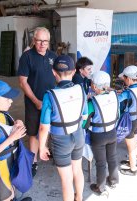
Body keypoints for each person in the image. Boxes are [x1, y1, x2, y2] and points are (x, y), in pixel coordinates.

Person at [39, 55, 88, 201]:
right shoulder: (81, 90)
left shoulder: (50, 96)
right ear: (73, 72)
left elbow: (44, 127)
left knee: (66, 180)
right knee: (77, 170)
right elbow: (84, 117)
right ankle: (79, 198)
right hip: (78, 135)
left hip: (61, 141)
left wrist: (42, 147)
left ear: (53, 72)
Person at [17, 27, 57, 176]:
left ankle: (47, 151)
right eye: (39, 40)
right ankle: (33, 162)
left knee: (50, 128)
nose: (42, 44)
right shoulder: (27, 57)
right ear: (34, 40)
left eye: (45, 41)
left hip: (51, 101)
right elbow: (22, 82)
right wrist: (36, 101)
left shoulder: (53, 56)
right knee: (33, 132)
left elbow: (58, 77)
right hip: (34, 102)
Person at [83, 71, 119, 196]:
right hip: (112, 132)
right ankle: (113, 181)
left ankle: (100, 187)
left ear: (94, 86)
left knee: (101, 162)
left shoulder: (92, 102)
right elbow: (118, 114)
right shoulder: (114, 96)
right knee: (112, 157)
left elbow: (84, 124)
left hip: (98, 136)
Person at [118, 66, 137, 176]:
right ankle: (132, 161)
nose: (124, 80)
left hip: (129, 122)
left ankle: (133, 169)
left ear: (129, 79)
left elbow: (117, 100)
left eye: (124, 78)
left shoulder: (128, 92)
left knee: (131, 147)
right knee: (134, 144)